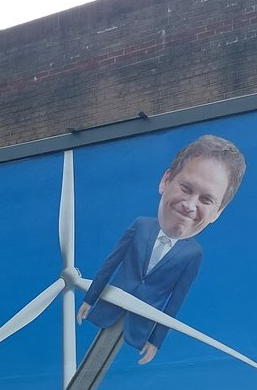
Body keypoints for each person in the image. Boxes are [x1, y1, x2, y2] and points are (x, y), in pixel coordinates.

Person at [77, 133, 246, 364]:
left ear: (218, 212)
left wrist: (155, 340)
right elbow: (109, 265)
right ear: (165, 181)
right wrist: (89, 299)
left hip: (140, 325)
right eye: (186, 188)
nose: (189, 205)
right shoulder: (140, 226)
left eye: (206, 200)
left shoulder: (193, 254)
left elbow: (175, 301)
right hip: (109, 308)